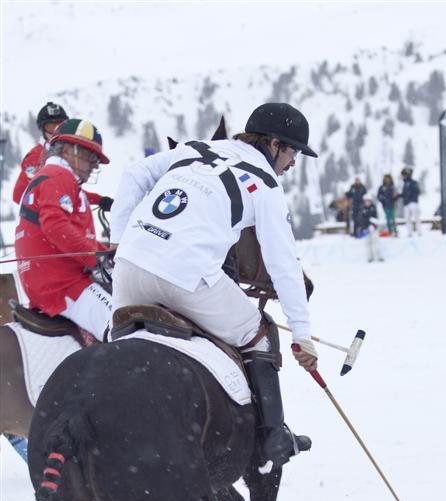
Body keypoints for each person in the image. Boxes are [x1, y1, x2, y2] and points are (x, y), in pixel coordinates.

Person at [109, 102, 319, 468]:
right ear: (273, 145)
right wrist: (301, 332)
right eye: (293, 152)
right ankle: (273, 437)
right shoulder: (266, 185)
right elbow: (282, 264)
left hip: (128, 268)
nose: (293, 163)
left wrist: (119, 239)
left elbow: (133, 174)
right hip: (186, 277)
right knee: (261, 331)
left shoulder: (194, 149)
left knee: (111, 348)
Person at [15, 119, 113, 341]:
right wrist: (94, 258)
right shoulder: (58, 176)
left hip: (55, 280)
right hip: (65, 285)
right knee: (124, 328)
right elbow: (55, 227)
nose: (95, 165)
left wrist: (104, 253)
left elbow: (71, 231)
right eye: (91, 156)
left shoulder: (55, 177)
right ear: (69, 150)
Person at [12, 101, 113, 213]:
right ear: (42, 130)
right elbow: (19, 194)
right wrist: (48, 207)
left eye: (59, 125)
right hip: (46, 219)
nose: (55, 130)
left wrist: (99, 200)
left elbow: (70, 191)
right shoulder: (35, 157)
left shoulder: (68, 154)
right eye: (51, 127)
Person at [357, 196, 383, 262]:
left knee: (376, 243)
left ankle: (379, 257)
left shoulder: (373, 209)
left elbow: (377, 219)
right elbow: (361, 220)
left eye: (369, 201)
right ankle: (370, 258)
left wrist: (373, 225)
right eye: (366, 201)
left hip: (374, 229)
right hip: (366, 229)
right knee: (368, 244)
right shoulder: (362, 209)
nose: (367, 202)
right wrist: (367, 225)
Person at [399, 167, 421, 236]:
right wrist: (398, 196)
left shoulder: (413, 183)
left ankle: (419, 232)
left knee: (416, 218)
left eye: (403, 175)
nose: (402, 177)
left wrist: (410, 198)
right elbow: (404, 194)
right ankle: (410, 233)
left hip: (413, 203)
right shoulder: (405, 184)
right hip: (407, 203)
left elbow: (417, 192)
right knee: (407, 219)